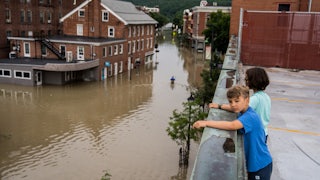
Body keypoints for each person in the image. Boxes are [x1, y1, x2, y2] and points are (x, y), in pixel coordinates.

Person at [193, 85, 272, 180]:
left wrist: (205, 123)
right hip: (255, 163)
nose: (233, 104)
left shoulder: (250, 117)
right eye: (230, 102)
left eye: (237, 101)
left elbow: (232, 125)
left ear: (247, 100)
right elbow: (233, 108)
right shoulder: (243, 111)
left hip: (260, 165)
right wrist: (219, 106)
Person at [209, 67, 271, 143]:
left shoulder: (255, 99)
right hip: (264, 132)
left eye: (247, 79)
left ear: (253, 81)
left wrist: (220, 106)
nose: (245, 81)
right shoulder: (265, 96)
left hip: (256, 135)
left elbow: (237, 108)